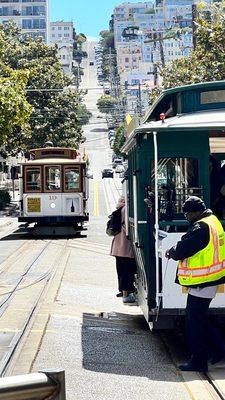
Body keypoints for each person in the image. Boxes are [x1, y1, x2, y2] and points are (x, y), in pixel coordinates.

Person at [166, 196, 225, 372]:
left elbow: (184, 248)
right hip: (210, 278)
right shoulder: (213, 220)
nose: (186, 217)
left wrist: (172, 251)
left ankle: (199, 361)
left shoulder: (201, 226)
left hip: (203, 280)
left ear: (196, 212)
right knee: (198, 319)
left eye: (188, 213)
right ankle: (219, 348)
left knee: (194, 323)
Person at [110, 196, 137, 304]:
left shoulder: (119, 209)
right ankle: (126, 294)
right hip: (125, 245)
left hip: (117, 245)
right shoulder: (126, 209)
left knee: (121, 270)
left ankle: (123, 291)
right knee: (127, 270)